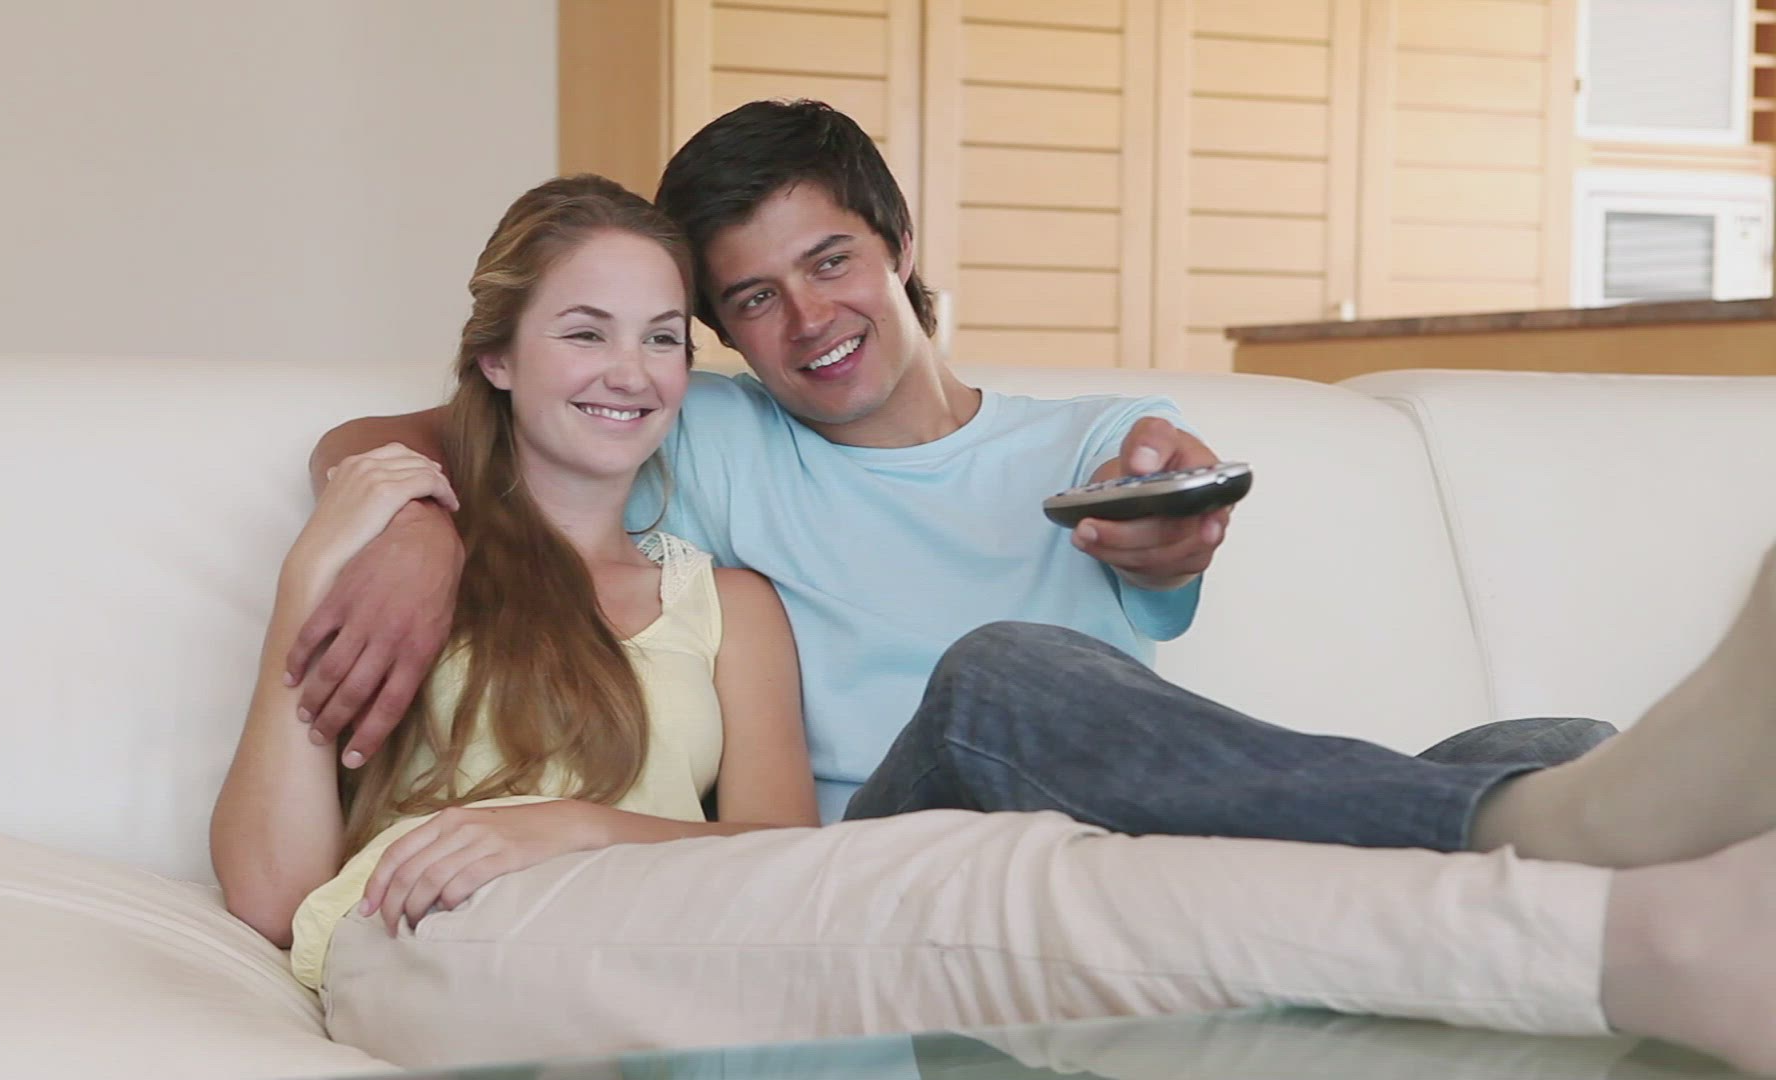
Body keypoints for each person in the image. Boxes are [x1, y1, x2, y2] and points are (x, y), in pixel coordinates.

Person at [209, 174, 1776, 1076]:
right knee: (1004, 762)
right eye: (586, 333)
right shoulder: (427, 529)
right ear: (497, 356)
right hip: (469, 929)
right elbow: (280, 891)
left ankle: (1599, 853)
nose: (634, 370)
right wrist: (386, 532)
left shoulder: (730, 591)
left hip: (810, 892)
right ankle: (1594, 879)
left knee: (1521, 746)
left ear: (903, 256)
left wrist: (576, 825)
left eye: (661, 338)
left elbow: (771, 858)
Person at [291, 99, 1776, 875]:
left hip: (1122, 856)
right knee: (998, 678)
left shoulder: (1095, 443)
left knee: (1555, 745)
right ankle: (1507, 834)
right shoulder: (712, 433)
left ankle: (1553, 827)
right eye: (749, 300)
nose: (806, 320)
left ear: (899, 245)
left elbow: (1162, 520)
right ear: (721, 333)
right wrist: (417, 530)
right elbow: (393, 429)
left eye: (831, 262)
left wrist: (1170, 536)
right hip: (885, 865)